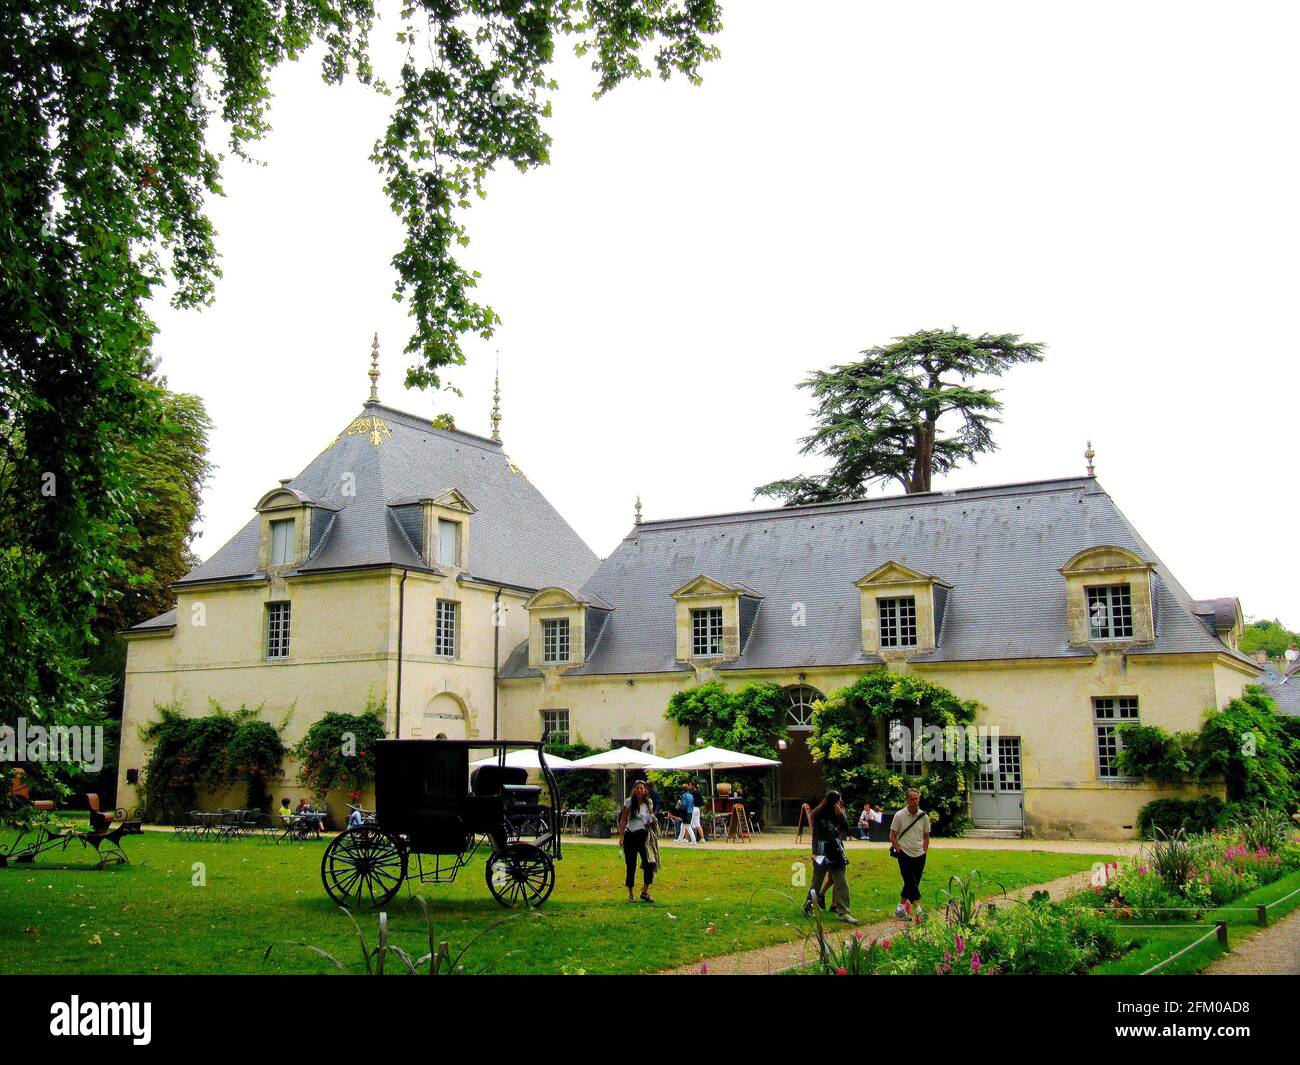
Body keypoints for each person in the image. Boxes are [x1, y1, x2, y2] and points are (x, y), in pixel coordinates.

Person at [803, 790, 859, 924]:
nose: (839, 803)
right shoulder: (817, 814)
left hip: (835, 849)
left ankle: (844, 912)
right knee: (817, 880)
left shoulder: (837, 813)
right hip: (822, 850)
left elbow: (846, 828)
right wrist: (815, 853)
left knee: (841, 881)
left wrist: (840, 814)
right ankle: (808, 906)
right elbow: (815, 835)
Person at [890, 788, 931, 918]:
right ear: (907, 800)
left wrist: (924, 851)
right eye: (912, 799)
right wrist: (898, 849)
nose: (914, 801)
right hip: (904, 853)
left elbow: (926, 836)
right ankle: (919, 909)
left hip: (919, 854)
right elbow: (892, 836)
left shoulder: (924, 816)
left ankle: (900, 909)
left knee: (913, 882)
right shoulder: (899, 815)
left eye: (916, 798)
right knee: (909, 880)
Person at [618, 780, 657, 903]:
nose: (640, 790)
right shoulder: (629, 802)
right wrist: (621, 836)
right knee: (631, 865)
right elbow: (623, 819)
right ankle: (630, 894)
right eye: (638, 788)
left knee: (649, 863)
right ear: (634, 789)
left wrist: (652, 819)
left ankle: (645, 891)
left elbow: (650, 818)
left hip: (644, 836)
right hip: (631, 835)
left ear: (645, 790)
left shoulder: (649, 802)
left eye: (642, 788)